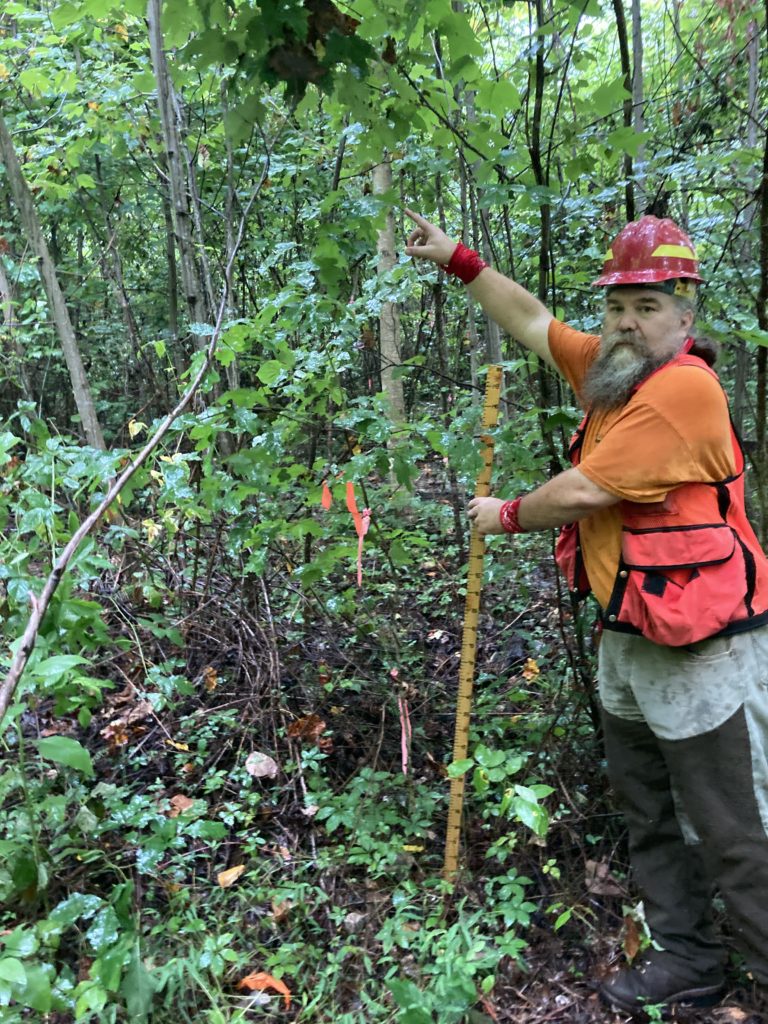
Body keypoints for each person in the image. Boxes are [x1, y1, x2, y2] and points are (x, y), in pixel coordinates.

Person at [404, 209, 768, 1014]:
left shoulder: (682, 391)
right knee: (648, 811)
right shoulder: (614, 370)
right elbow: (533, 320)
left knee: (735, 828)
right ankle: (689, 959)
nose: (627, 323)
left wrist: (503, 513)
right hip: (631, 635)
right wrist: (459, 261)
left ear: (686, 314)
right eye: (616, 307)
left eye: (647, 307)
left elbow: (585, 489)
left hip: (705, 649)